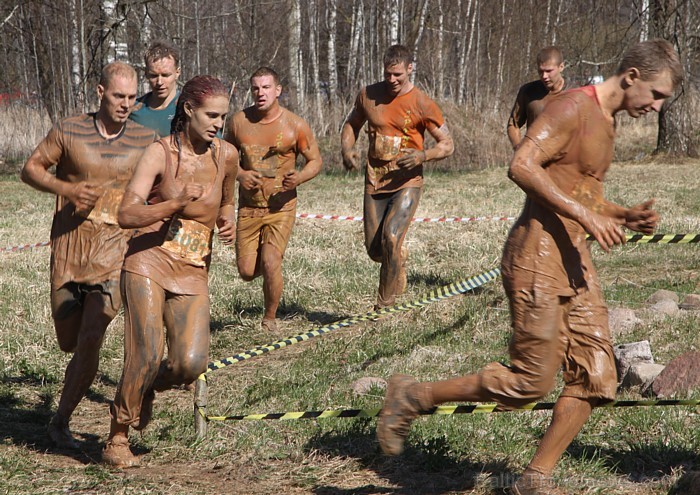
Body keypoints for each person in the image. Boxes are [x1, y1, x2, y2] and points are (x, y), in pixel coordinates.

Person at [377, 39, 682, 494]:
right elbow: (522, 165)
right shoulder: (571, 108)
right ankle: (411, 395)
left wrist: (618, 215)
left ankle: (532, 480)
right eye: (656, 96)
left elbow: (577, 190)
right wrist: (589, 216)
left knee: (597, 378)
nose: (656, 107)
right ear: (632, 76)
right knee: (529, 382)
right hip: (536, 259)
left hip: (575, 263)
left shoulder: (605, 120)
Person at [102, 75, 238, 467]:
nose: (217, 124)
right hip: (148, 258)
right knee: (146, 352)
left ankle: (144, 388)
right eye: (211, 115)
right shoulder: (160, 153)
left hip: (193, 266)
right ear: (189, 110)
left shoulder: (226, 155)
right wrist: (171, 205)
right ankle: (118, 435)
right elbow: (126, 213)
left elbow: (227, 201)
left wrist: (227, 220)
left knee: (190, 363)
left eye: (223, 118)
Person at [20, 62, 157, 449]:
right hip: (70, 251)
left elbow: (160, 187)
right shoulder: (69, 129)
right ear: (100, 92)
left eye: (132, 97)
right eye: (118, 96)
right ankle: (68, 402)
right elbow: (30, 170)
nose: (126, 104)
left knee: (92, 335)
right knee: (70, 342)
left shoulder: (145, 139)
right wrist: (66, 187)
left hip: (116, 252)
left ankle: (60, 421)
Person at [341, 44, 454, 310]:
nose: (392, 80)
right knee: (376, 250)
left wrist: (422, 156)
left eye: (398, 75)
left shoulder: (422, 103)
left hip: (407, 182)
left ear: (410, 69)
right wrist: (347, 150)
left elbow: (447, 144)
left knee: (390, 236)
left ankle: (384, 305)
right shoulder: (368, 95)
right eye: (388, 74)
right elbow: (351, 124)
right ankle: (398, 258)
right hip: (375, 181)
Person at [225, 67, 321, 332]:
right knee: (246, 271)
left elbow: (315, 161)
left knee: (270, 260)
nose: (260, 93)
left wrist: (299, 178)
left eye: (266, 87)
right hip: (250, 207)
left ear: (278, 90)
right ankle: (270, 273)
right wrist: (241, 174)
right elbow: (224, 159)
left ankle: (269, 317)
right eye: (256, 88)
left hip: (282, 206)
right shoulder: (238, 122)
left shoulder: (295, 125)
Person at [507, 46, 567, 150]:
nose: (544, 76)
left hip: (566, 160)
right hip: (535, 158)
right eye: (540, 71)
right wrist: (519, 148)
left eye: (549, 71)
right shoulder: (528, 91)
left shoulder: (576, 93)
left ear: (561, 67)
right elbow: (513, 125)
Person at [129, 41, 181, 137]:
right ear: (146, 74)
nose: (159, 82)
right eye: (154, 76)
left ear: (177, 73)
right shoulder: (133, 111)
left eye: (165, 75)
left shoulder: (188, 109)